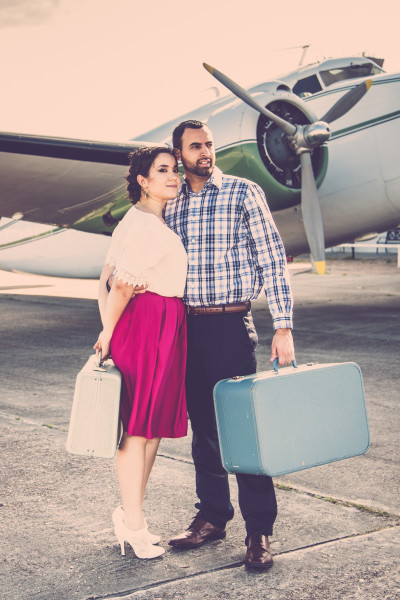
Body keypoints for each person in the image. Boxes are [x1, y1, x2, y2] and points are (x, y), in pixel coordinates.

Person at [165, 120, 295, 570]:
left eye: (208, 144)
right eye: (195, 146)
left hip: (231, 325)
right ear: (179, 154)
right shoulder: (171, 203)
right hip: (187, 329)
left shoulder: (242, 192)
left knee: (243, 430)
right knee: (203, 427)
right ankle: (212, 516)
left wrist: (283, 325)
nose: (205, 152)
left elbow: (272, 257)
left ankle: (259, 531)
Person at [94, 147, 187, 560]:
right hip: (147, 325)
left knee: (151, 428)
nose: (173, 176)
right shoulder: (145, 224)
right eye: (162, 171)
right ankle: (133, 525)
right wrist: (108, 332)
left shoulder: (147, 220)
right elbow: (119, 284)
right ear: (143, 181)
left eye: (175, 170)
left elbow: (106, 276)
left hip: (163, 324)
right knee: (137, 428)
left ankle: (131, 515)